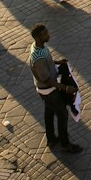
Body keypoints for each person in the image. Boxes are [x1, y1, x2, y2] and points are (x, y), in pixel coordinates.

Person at [28, 24, 81, 154]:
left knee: (49, 112)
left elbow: (47, 63)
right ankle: (65, 144)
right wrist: (66, 87)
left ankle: (51, 138)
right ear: (39, 37)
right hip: (48, 90)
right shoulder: (38, 57)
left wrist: (57, 62)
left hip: (46, 90)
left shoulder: (39, 46)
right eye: (46, 34)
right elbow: (46, 79)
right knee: (62, 114)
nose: (49, 35)